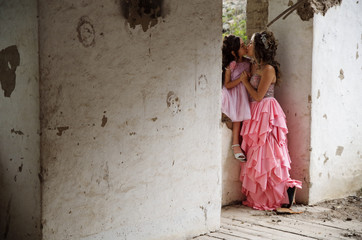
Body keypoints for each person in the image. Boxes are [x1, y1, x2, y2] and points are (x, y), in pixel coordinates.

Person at [238, 30, 302, 210]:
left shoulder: (268, 69)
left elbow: (258, 96)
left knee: (268, 151)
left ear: (258, 47)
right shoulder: (253, 65)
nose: (248, 45)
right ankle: (259, 195)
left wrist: (245, 82)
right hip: (254, 112)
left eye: (251, 43)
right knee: (255, 152)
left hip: (266, 110)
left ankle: (278, 194)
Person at [221, 35, 251, 162]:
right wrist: (241, 80)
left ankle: (246, 142)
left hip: (245, 92)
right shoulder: (231, 65)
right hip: (233, 93)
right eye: (242, 46)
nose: (245, 47)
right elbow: (227, 84)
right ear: (234, 52)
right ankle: (235, 144)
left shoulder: (248, 62)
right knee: (238, 113)